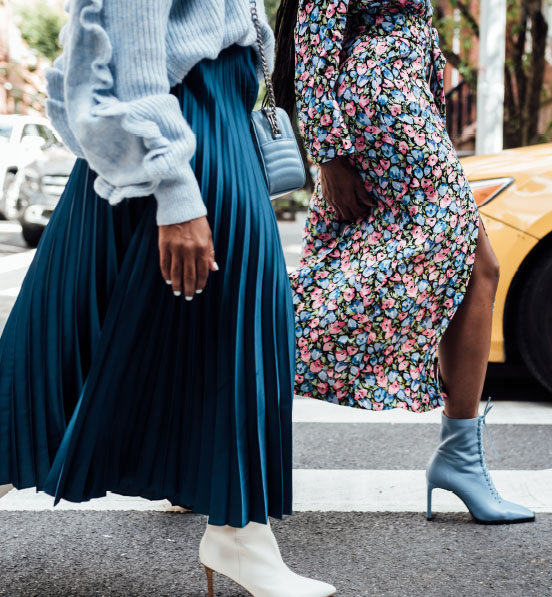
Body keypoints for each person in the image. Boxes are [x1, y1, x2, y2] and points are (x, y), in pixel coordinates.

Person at [0, 1, 336, 595]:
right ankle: (240, 538)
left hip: (218, 120)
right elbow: (129, 51)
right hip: (179, 131)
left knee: (217, 326)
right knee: (63, 337)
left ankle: (240, 535)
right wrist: (176, 192)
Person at [273, 0, 535, 524]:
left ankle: (460, 455)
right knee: (457, 255)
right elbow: (316, 29)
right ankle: (233, 370)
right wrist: (328, 153)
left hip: (401, 96)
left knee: (476, 266)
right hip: (383, 100)